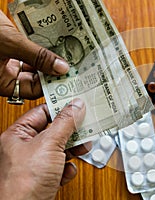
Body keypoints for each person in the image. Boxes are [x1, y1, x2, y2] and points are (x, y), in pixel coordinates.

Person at [0, 10, 90, 200]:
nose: (68, 65)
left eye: (71, 61)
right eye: (67, 54)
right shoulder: (36, 42)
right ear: (59, 43)